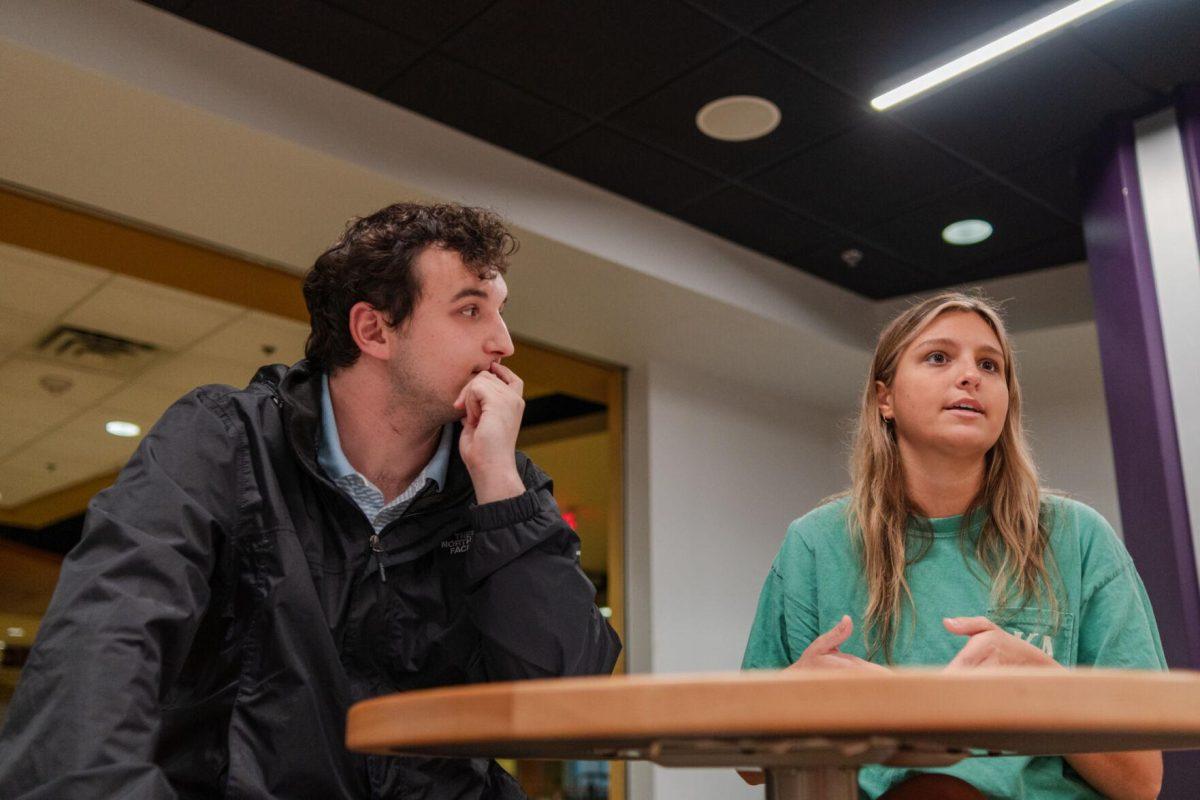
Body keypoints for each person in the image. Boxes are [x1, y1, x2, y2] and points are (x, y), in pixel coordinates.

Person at [0, 202, 622, 799]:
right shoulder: (222, 442)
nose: (504, 342)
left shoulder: (501, 486)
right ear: (373, 329)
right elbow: (99, 650)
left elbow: (568, 702)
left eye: (501, 311)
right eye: (469, 310)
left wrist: (500, 488)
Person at [741, 292, 1165, 800]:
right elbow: (749, 767)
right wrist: (790, 698)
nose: (971, 376)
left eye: (990, 365)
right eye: (939, 357)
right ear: (885, 398)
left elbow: (1142, 781)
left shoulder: (1078, 538)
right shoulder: (815, 544)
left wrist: (1040, 686)